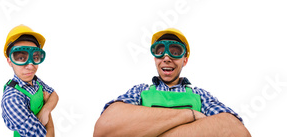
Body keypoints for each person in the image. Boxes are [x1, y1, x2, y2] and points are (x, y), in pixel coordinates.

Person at [93, 28, 251, 137]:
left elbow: (236, 130)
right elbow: (104, 128)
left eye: (175, 52)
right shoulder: (139, 91)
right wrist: (191, 115)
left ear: (185, 60)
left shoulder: (200, 95)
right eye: (160, 51)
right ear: (155, 58)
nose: (167, 57)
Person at [1, 25, 59, 137]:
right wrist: (45, 103)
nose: (31, 65)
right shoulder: (12, 99)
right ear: (10, 61)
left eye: (35, 57)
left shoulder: (35, 80)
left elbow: (54, 95)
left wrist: (46, 110)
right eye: (21, 58)